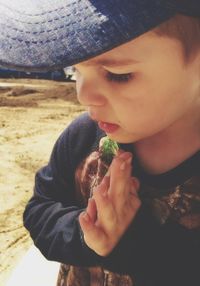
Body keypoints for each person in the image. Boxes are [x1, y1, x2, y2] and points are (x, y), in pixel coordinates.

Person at [0, 1, 200, 285]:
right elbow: (41, 209)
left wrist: (128, 242)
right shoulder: (82, 137)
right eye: (77, 69)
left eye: (118, 75)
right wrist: (85, 235)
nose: (84, 95)